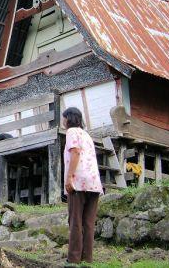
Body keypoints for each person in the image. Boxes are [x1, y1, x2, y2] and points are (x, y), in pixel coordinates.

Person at [62, 107, 103, 266]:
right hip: (93, 183)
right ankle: (87, 260)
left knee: (75, 221)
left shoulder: (71, 132)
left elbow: (75, 153)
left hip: (78, 182)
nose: (63, 121)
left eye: (64, 118)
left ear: (69, 119)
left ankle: (73, 260)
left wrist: (69, 177)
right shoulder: (86, 135)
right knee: (88, 223)